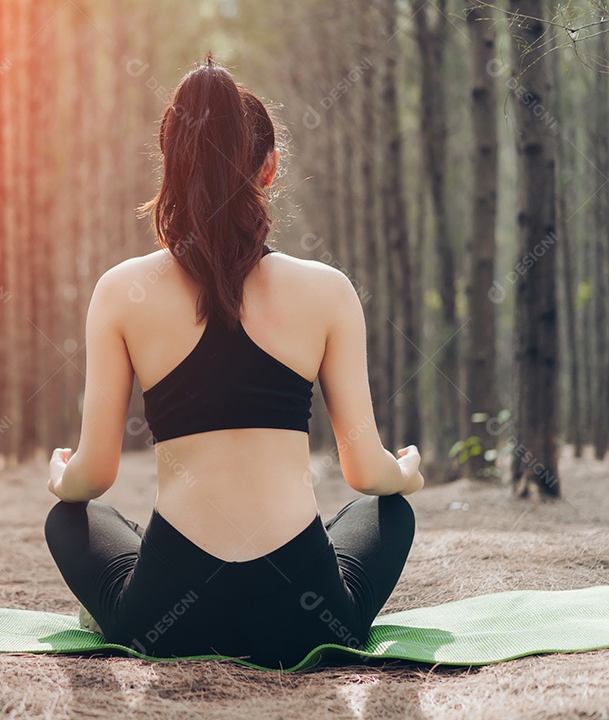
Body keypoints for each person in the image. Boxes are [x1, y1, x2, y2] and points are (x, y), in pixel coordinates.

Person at [43, 55, 422, 670]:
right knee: (387, 511)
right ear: (268, 169)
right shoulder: (327, 290)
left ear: (171, 166)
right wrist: (405, 472)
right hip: (304, 619)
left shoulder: (120, 291)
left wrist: (63, 477)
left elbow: (93, 478)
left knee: (71, 519)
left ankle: (143, 573)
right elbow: (366, 472)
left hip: (168, 619)